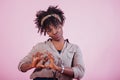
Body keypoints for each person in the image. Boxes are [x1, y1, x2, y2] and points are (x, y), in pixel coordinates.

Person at [18, 6, 85, 80]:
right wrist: (32, 65)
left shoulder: (74, 48)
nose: (54, 32)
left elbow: (80, 72)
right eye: (49, 30)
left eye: (57, 27)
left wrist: (59, 69)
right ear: (46, 32)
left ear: (61, 24)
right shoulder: (39, 47)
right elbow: (21, 66)